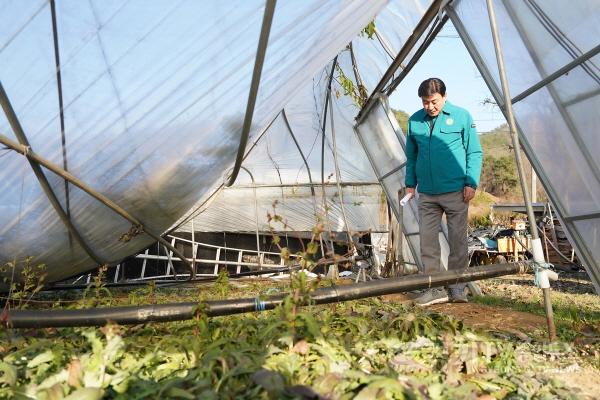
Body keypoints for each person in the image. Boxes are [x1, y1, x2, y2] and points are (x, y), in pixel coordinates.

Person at [404, 78, 482, 305]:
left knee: (458, 241)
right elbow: (412, 157)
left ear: (444, 97)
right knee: (427, 242)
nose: (430, 106)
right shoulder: (415, 121)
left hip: (456, 191)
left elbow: (474, 152)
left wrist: (471, 182)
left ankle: (457, 287)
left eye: (434, 101)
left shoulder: (461, 116)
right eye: (425, 102)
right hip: (427, 193)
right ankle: (434, 287)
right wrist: (411, 184)